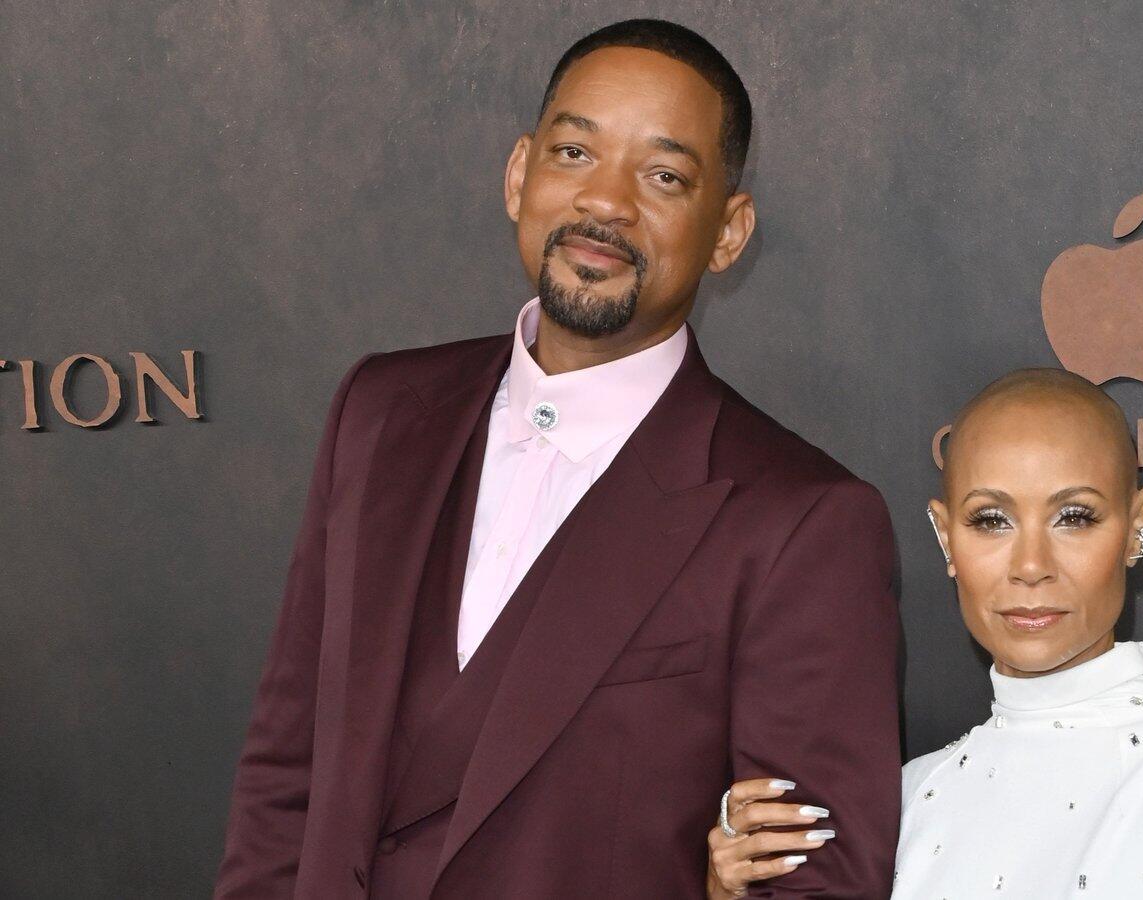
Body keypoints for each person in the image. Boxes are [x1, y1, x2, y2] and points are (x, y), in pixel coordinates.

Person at [215, 19, 902, 899]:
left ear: (729, 232)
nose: (605, 202)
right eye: (574, 153)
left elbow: (813, 884)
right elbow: (286, 773)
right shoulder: (380, 412)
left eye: (662, 175)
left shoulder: (801, 521)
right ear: (519, 174)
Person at [707, 369, 1143, 898]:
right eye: (991, 520)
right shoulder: (909, 799)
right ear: (946, 537)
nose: (1030, 565)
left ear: (1136, 525)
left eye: (1073, 517)